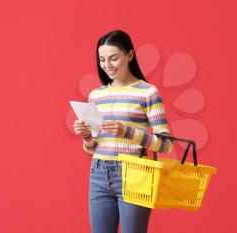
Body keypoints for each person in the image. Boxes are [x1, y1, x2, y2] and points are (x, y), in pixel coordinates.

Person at [73, 29, 173, 233]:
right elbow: (93, 148)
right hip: (99, 173)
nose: (107, 65)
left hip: (135, 175)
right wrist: (86, 137)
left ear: (130, 55)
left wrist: (128, 131)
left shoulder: (147, 92)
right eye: (102, 59)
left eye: (113, 58)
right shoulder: (96, 95)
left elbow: (166, 144)